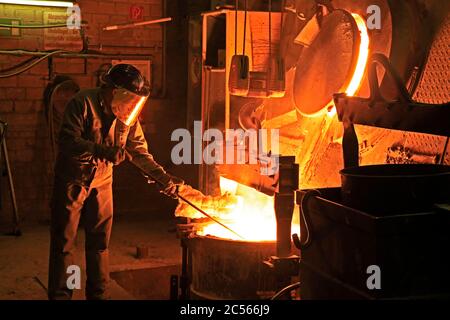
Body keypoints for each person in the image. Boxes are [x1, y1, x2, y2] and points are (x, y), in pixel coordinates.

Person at [48, 64, 183, 300]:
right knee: (64, 244)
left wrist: (165, 181)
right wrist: (102, 151)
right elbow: (68, 142)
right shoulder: (82, 103)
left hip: (102, 182)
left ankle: (98, 295)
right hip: (73, 180)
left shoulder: (127, 116)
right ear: (112, 90)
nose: (131, 104)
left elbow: (140, 153)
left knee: (100, 244)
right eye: (129, 97)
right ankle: (62, 296)